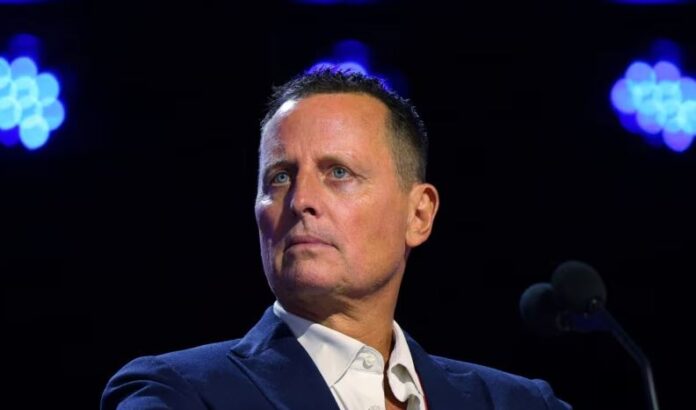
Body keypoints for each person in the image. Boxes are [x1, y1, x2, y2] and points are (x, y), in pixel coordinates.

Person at [101, 69, 571, 410]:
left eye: (338, 172)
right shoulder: (179, 393)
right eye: (280, 177)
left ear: (419, 214)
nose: (301, 200)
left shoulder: (518, 403)